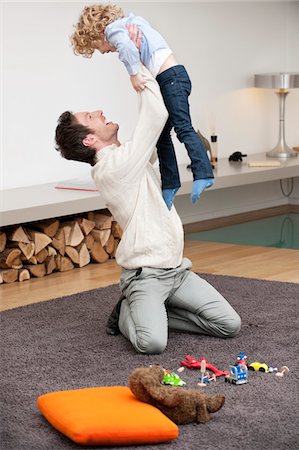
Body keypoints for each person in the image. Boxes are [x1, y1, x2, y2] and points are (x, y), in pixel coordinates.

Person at [55, 64, 241, 355]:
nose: (99, 111)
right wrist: (138, 72)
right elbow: (154, 117)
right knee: (151, 343)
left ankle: (157, 313)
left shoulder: (127, 157)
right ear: (89, 140)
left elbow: (156, 130)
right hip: (146, 276)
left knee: (229, 324)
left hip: (177, 271)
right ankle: (130, 310)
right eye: (91, 117)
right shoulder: (113, 168)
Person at [70, 3, 214, 210]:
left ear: (99, 32)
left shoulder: (112, 31)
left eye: (96, 47)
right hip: (170, 78)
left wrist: (134, 74)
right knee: (162, 137)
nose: (102, 52)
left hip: (171, 79)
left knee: (183, 127)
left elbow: (128, 49)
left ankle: (204, 173)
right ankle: (170, 184)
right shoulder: (132, 23)